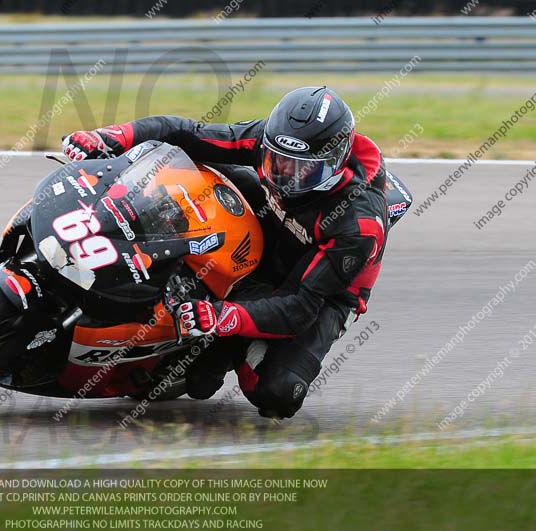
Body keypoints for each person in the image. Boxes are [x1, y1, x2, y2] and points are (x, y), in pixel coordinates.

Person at [62, 86, 389, 419]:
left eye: (301, 169)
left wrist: (222, 318)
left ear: (334, 163)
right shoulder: (270, 138)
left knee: (277, 393)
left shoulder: (358, 223)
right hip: (272, 231)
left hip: (320, 293)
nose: (284, 176)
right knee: (189, 160)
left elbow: (299, 308)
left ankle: (224, 348)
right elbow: (186, 132)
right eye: (278, 161)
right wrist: (113, 136)